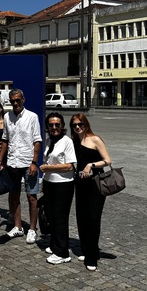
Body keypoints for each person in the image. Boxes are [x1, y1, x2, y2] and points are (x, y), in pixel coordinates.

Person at [0, 88, 42, 244]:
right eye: (12, 100)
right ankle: (18, 226)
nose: (15, 103)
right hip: (12, 162)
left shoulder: (32, 117)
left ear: (23, 99)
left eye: (18, 100)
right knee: (14, 195)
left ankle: (32, 229)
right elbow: (5, 140)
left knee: (32, 197)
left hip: (28, 162)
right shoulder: (7, 117)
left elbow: (37, 141)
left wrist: (35, 162)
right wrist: (0, 160)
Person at [71, 113, 113, 272]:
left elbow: (108, 160)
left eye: (80, 124)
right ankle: (85, 249)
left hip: (95, 184)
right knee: (81, 217)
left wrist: (91, 165)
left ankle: (92, 256)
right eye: (74, 125)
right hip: (80, 183)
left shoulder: (95, 139)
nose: (77, 127)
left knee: (93, 218)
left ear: (86, 124)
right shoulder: (75, 140)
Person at [39, 112, 76, 265]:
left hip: (63, 185)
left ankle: (62, 252)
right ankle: (55, 244)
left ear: (62, 126)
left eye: (57, 125)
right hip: (49, 183)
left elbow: (70, 165)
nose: (54, 127)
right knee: (52, 216)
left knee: (60, 218)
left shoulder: (67, 142)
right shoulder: (49, 141)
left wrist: (49, 167)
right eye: (51, 125)